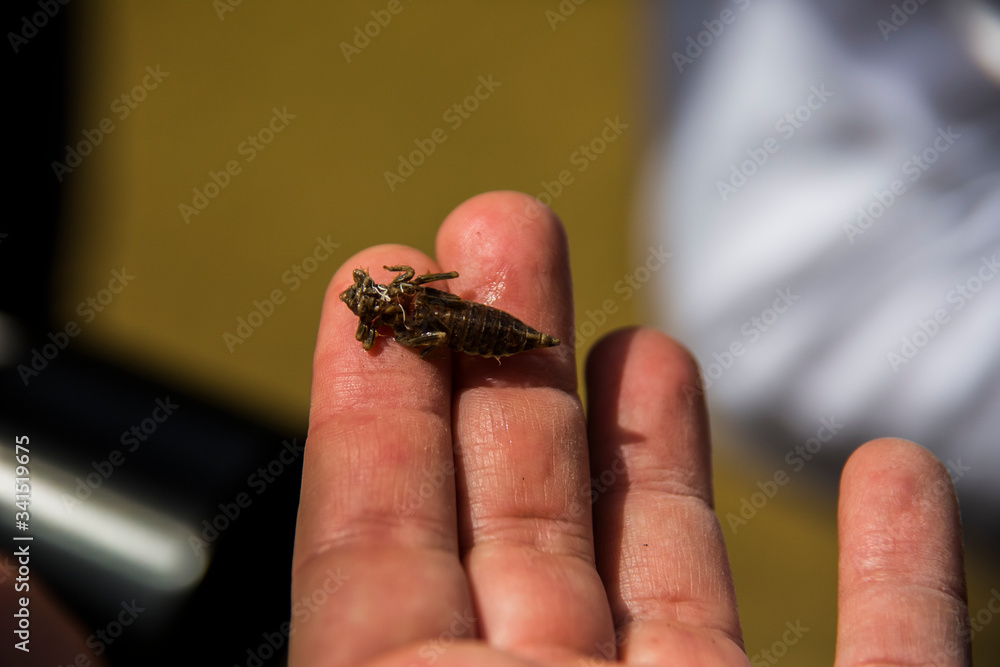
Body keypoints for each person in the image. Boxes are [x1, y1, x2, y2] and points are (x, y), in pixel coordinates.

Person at [290, 192, 970, 666]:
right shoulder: (407, 314)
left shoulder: (406, 310)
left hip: (478, 329)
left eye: (368, 305)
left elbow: (424, 305)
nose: (367, 306)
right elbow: (423, 312)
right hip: (470, 329)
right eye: (368, 308)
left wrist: (418, 313)